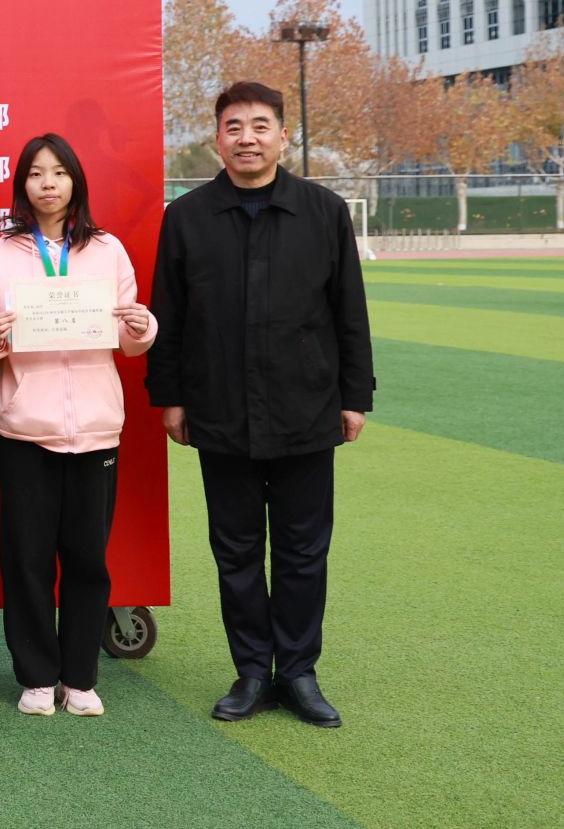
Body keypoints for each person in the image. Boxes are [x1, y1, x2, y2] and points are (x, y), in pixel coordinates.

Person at [147, 82, 374, 728]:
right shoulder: (187, 217)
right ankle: (252, 671)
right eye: (234, 126)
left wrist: (355, 396)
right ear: (217, 138)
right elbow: (170, 313)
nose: (247, 138)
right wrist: (170, 398)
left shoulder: (323, 211)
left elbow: (349, 311)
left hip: (307, 410)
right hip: (220, 412)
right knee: (237, 551)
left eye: (260, 125)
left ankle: (298, 673)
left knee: (304, 552)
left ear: (282, 135)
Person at [0, 135, 156, 718]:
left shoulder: (107, 249)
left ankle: (80, 677)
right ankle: (35, 676)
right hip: (24, 429)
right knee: (26, 558)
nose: (47, 183)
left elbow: (128, 337)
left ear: (75, 181)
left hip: (96, 429)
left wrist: (143, 326)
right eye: (36, 173)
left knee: (87, 559)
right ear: (22, 185)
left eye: (58, 172)